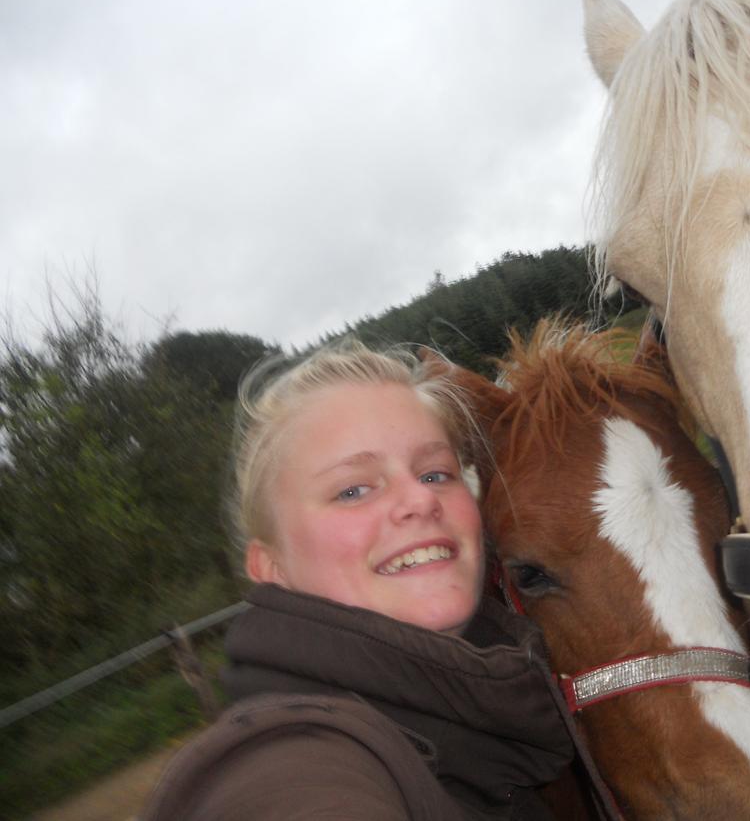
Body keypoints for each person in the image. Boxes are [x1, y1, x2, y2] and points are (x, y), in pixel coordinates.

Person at [142, 340, 578, 820]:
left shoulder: (517, 695)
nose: (420, 499)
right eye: (352, 490)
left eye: (435, 474)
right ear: (271, 570)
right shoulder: (292, 762)